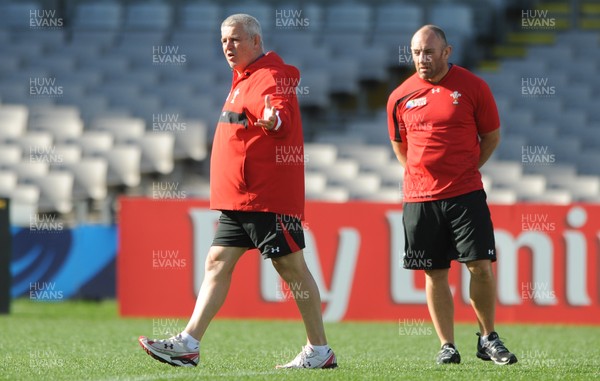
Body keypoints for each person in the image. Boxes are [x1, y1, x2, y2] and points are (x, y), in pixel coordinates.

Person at [139, 14, 337, 369]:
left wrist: (274, 120)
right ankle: (188, 343)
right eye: (223, 41)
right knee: (216, 262)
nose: (228, 47)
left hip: (265, 197)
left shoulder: (270, 76)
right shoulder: (243, 79)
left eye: (235, 40)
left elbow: (279, 112)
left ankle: (319, 350)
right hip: (240, 199)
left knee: (291, 268)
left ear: (256, 42)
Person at [386, 25, 517, 366]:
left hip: (465, 194)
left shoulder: (473, 87)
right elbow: (400, 145)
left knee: (481, 266)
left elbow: (491, 136)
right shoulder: (399, 96)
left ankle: (487, 337)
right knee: (434, 271)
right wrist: (420, 175)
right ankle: (447, 345)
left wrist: (463, 170)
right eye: (416, 53)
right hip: (420, 199)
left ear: (447, 52)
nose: (421, 59)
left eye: (429, 52)